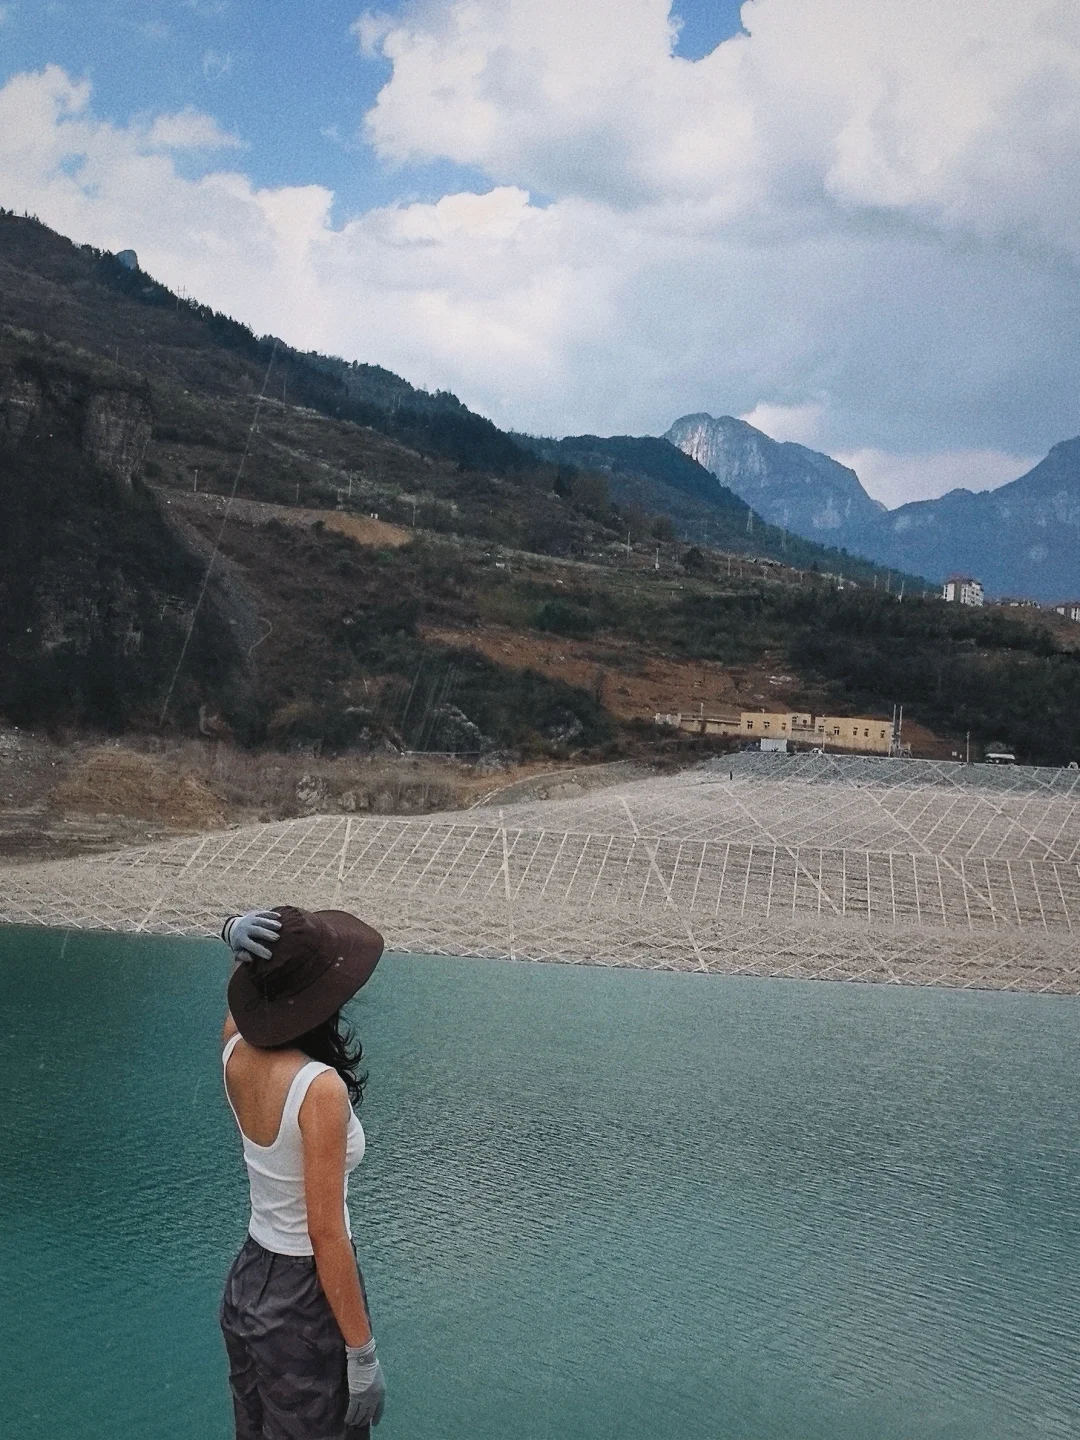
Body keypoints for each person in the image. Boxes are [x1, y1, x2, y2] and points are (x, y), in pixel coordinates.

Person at [218, 904, 387, 1439]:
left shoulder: (234, 1049)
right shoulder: (319, 1089)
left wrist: (231, 935)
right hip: (304, 1300)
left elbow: (241, 1008)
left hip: (248, 1280)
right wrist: (361, 1353)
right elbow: (325, 1231)